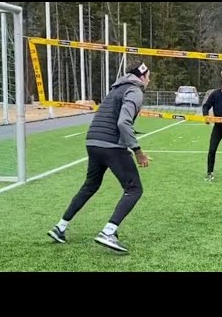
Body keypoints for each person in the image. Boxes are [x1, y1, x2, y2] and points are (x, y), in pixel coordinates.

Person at [47, 60, 151, 252]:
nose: (149, 80)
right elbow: (123, 123)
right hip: (110, 144)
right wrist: (137, 151)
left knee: (90, 185)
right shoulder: (135, 91)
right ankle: (108, 232)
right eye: (148, 76)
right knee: (134, 189)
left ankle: (60, 227)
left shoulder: (116, 88)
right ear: (142, 76)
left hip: (93, 142)